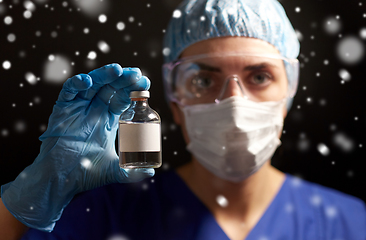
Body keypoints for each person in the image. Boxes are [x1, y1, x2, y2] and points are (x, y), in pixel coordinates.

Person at [1, 0, 365, 239]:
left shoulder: (350, 223)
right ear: (174, 101)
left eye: (259, 77)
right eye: (204, 80)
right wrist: (30, 199)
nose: (234, 104)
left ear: (289, 92)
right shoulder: (105, 217)